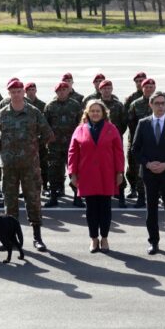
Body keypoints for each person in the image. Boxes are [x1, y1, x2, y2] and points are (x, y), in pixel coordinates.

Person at [0, 79, 54, 252]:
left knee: (33, 200)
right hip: (9, 166)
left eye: (18, 91)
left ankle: (37, 238)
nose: (16, 95)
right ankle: (10, 239)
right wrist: (3, 147)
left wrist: (35, 146)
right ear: (9, 94)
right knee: (10, 202)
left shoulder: (33, 112)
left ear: (23, 92)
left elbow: (48, 133)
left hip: (30, 165)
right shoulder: (3, 113)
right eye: (12, 92)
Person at [132, 89, 165, 256]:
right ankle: (153, 242)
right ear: (151, 105)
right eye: (157, 103)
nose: (160, 106)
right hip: (149, 174)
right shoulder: (143, 123)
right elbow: (135, 149)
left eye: (163, 103)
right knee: (152, 209)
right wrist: (147, 163)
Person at [67, 100, 125, 253]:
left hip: (106, 174)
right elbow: (73, 152)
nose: (95, 113)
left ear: (103, 113)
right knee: (91, 210)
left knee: (105, 209)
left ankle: (104, 238)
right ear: (87, 113)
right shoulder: (80, 129)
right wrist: (72, 173)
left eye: (98, 110)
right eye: (92, 111)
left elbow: (119, 152)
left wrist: (120, 172)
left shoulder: (111, 129)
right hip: (87, 175)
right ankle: (93, 239)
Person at [44, 82, 84, 208]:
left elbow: (81, 124)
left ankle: (77, 196)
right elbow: (45, 125)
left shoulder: (75, 105)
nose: (62, 92)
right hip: (54, 146)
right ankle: (53, 197)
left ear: (68, 91)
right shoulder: (50, 106)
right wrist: (49, 137)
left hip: (71, 146)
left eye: (64, 90)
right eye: (59, 91)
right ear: (56, 92)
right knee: (53, 172)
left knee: (75, 171)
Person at [95, 80, 128, 208]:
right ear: (100, 90)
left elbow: (124, 123)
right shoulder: (97, 105)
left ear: (112, 89)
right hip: (100, 142)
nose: (107, 90)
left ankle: (121, 195)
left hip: (115, 141)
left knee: (118, 167)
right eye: (104, 88)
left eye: (109, 88)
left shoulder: (118, 105)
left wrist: (116, 134)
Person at [126, 77, 157, 207]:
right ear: (142, 88)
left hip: (157, 143)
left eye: (151, 87)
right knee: (140, 171)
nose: (149, 89)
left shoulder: (160, 102)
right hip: (141, 143)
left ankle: (155, 195)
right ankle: (141, 196)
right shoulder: (135, 104)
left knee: (156, 169)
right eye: (146, 87)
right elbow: (130, 123)